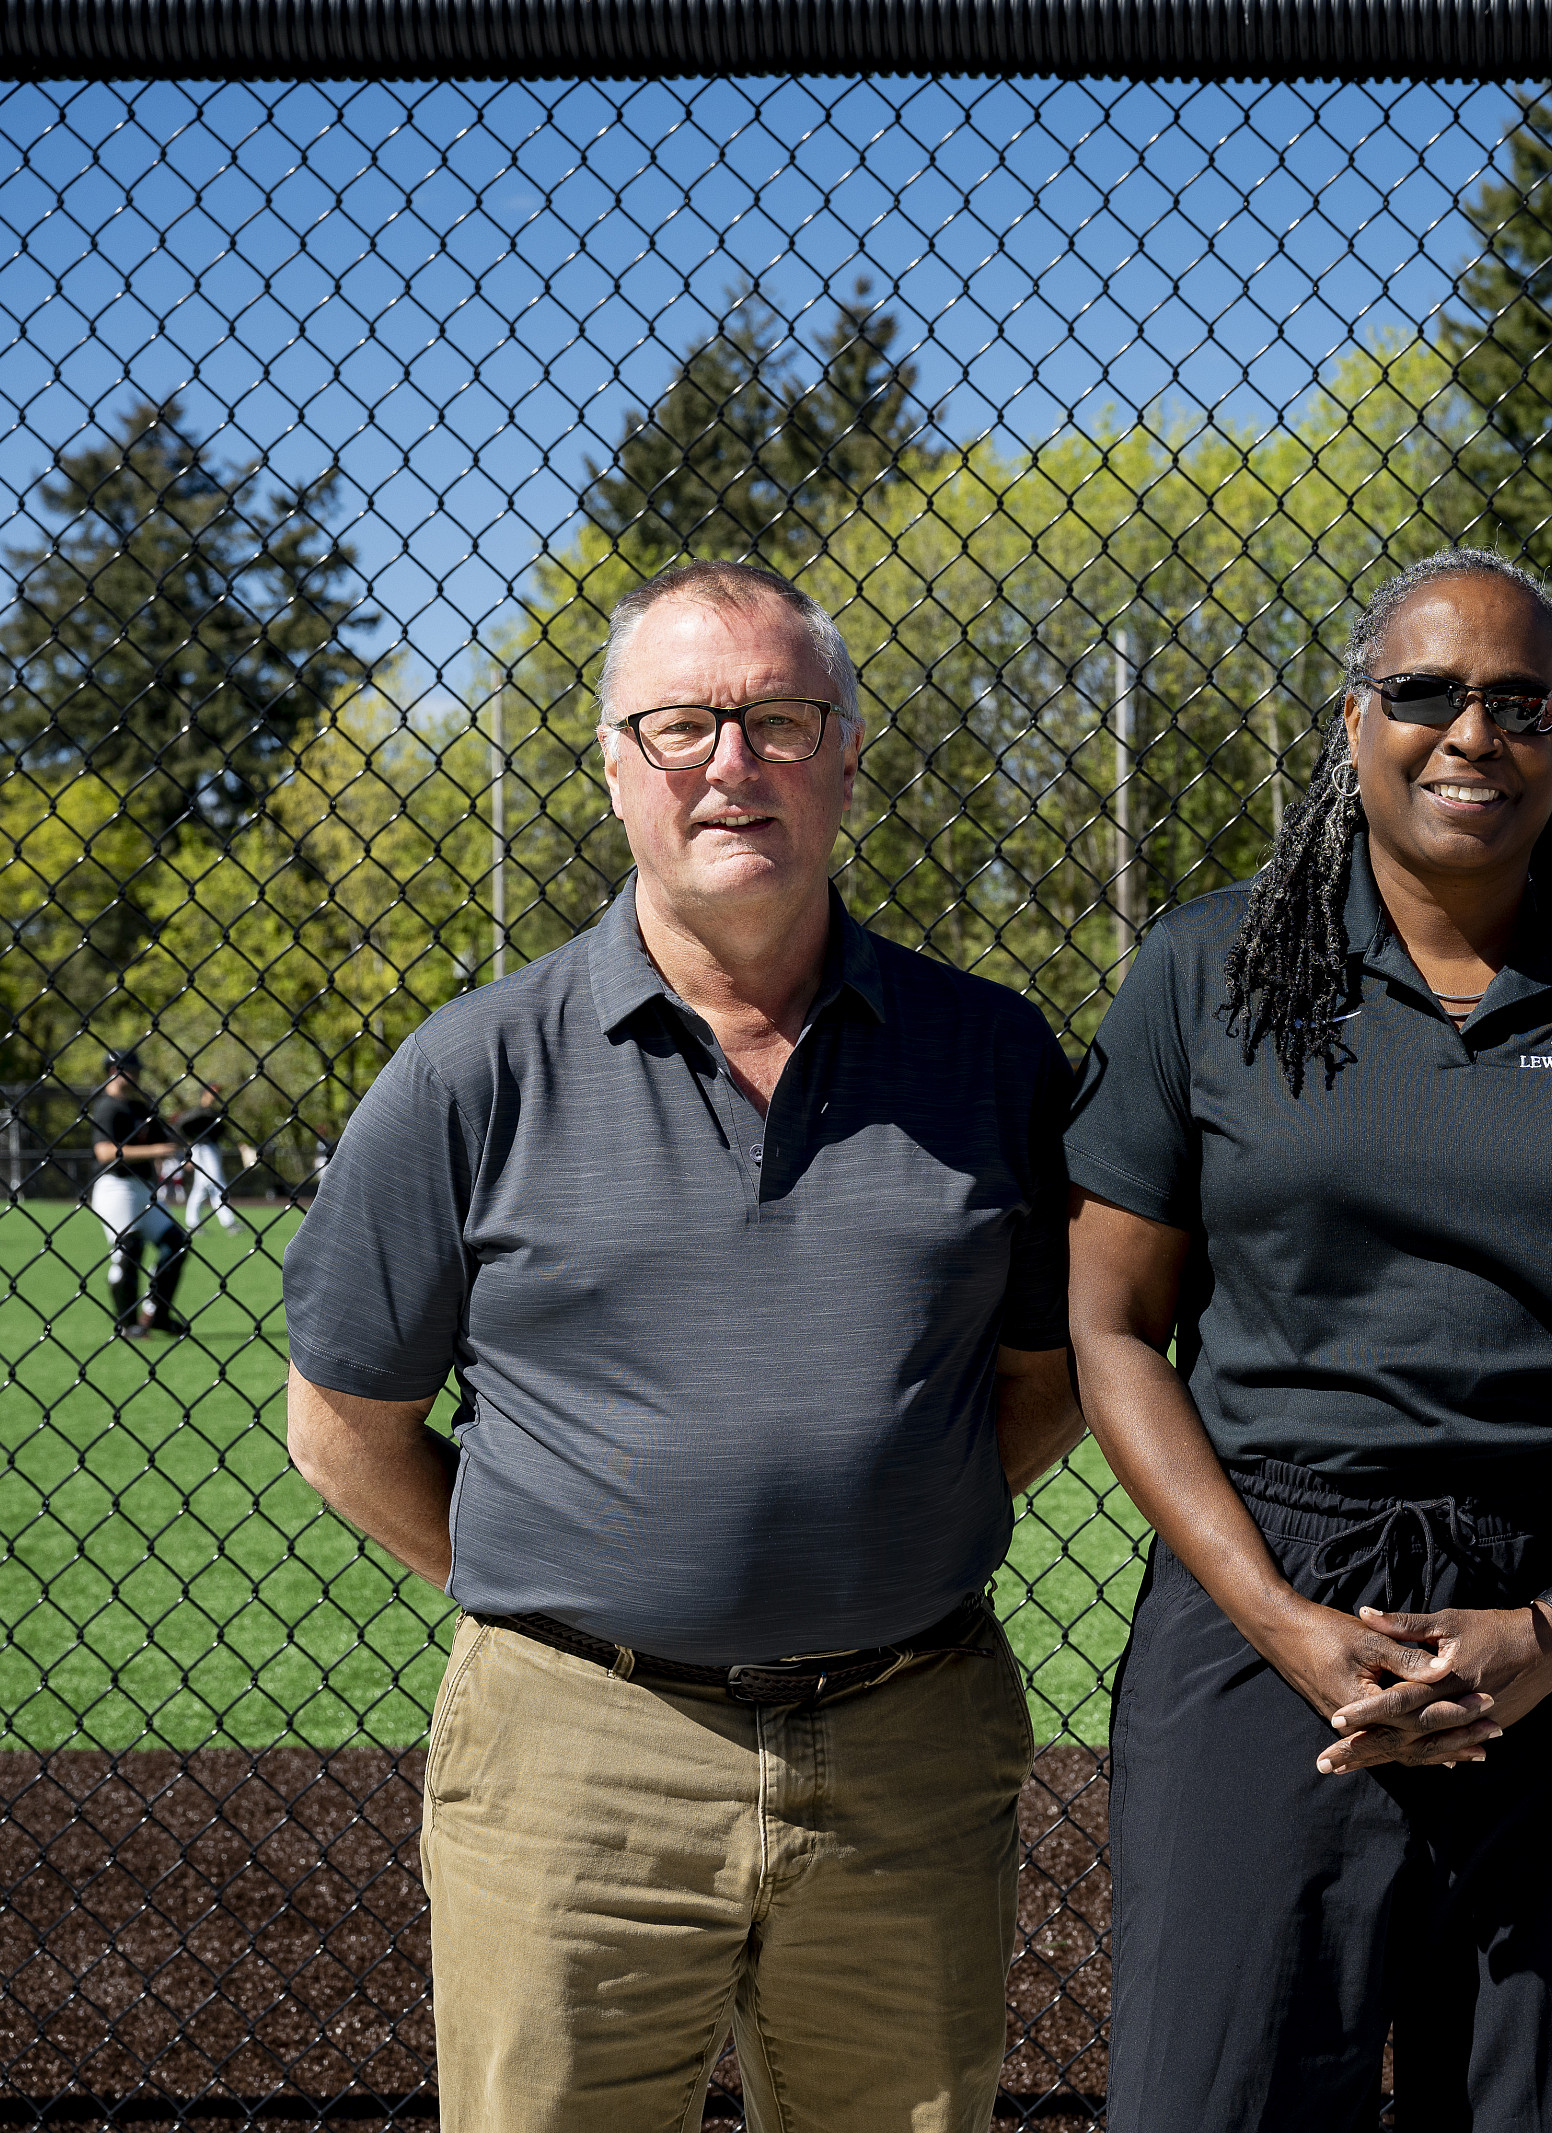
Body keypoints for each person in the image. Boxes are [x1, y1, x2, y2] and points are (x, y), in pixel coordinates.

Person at [280, 558, 1084, 2133]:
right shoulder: (474, 1069)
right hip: (577, 1762)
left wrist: (870, 1535)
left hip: (906, 1747)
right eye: (681, 724)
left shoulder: (990, 1053)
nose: (733, 762)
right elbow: (342, 1423)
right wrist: (568, 1584)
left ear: (848, 755)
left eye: (782, 718)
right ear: (610, 761)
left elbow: (1044, 1380)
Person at [1064, 548, 1552, 2133]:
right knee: (1226, 2097)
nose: (1476, 732)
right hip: (1274, 1609)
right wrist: (1276, 1616)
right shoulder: (1213, 967)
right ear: (1355, 721)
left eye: (1522, 702)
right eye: (1428, 692)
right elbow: (1111, 1324)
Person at [88, 1051, 191, 1337]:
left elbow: (168, 1141)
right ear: (113, 1070)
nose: (135, 1075)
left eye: (136, 1070)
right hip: (115, 1186)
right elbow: (105, 1152)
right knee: (128, 1248)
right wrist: (156, 1151)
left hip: (144, 1189)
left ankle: (156, 1313)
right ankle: (127, 1322)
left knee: (177, 1243)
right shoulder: (107, 1108)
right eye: (130, 1070)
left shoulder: (140, 1107)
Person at [168, 1082, 245, 1235]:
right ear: (205, 1092)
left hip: (213, 1149)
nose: (216, 1095)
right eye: (213, 1091)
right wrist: (186, 1153)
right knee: (218, 1184)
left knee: (201, 1187)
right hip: (200, 1149)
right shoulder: (196, 1113)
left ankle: (193, 1224)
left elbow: (225, 1134)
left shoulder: (215, 1113)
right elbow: (178, 1130)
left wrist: (240, 1145)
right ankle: (228, 1222)